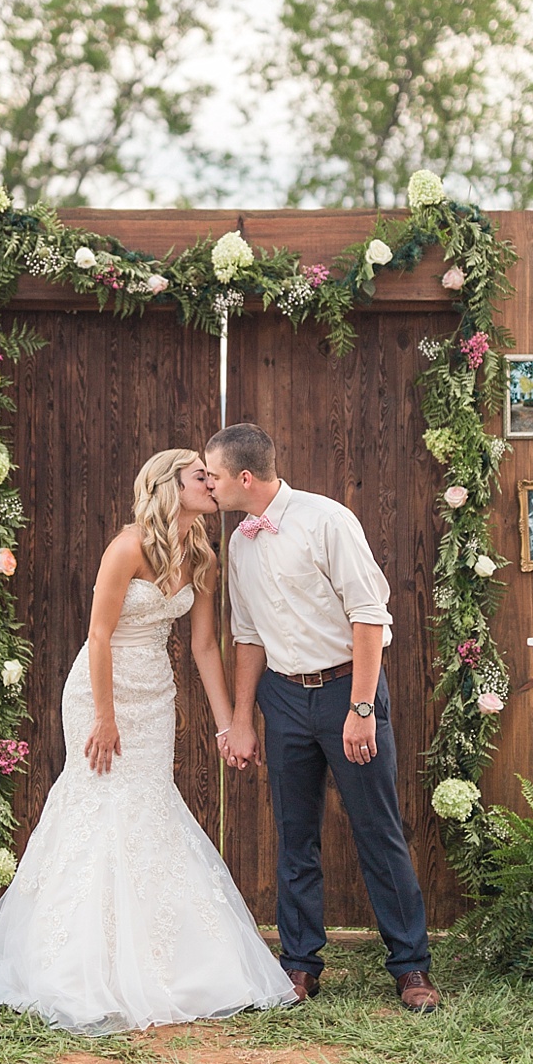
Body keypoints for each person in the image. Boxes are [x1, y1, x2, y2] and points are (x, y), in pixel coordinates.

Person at [0, 448, 296, 1034]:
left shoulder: (203, 556)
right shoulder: (128, 546)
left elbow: (205, 648)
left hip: (155, 697)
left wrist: (225, 723)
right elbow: (99, 634)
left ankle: (162, 958)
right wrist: (105, 717)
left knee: (148, 807)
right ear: (170, 485)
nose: (211, 485)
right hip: (100, 693)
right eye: (200, 477)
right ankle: (79, 960)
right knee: (99, 805)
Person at [207, 423, 439, 1013]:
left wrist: (362, 708)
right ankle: (300, 964)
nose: (207, 485)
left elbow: (368, 616)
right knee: (295, 835)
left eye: (212, 475)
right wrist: (241, 718)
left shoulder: (328, 520)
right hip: (282, 700)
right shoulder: (239, 543)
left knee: (377, 830)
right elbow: (249, 636)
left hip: (346, 691)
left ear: (244, 477)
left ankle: (412, 967)